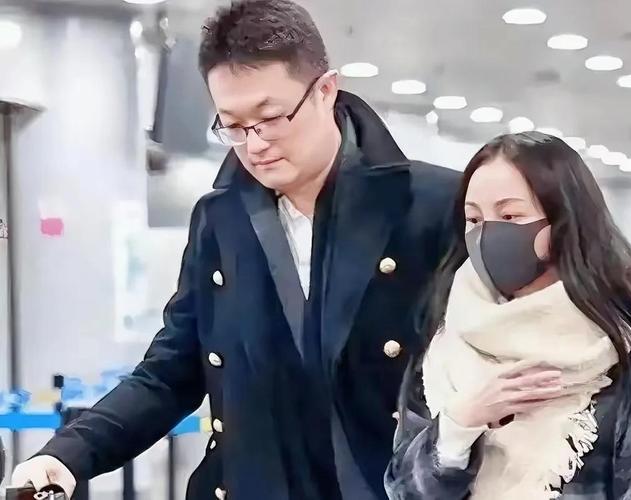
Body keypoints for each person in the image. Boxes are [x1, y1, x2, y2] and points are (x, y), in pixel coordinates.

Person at [11, 1, 459, 499]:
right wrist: (68, 453)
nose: (254, 144)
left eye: (270, 118)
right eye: (232, 126)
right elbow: (172, 369)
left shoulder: (433, 206)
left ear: (325, 91)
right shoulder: (220, 220)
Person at [385, 132, 631, 499]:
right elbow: (403, 490)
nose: (486, 233)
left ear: (562, 223)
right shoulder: (445, 340)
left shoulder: (630, 350)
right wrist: (459, 424)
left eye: (509, 215)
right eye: (474, 218)